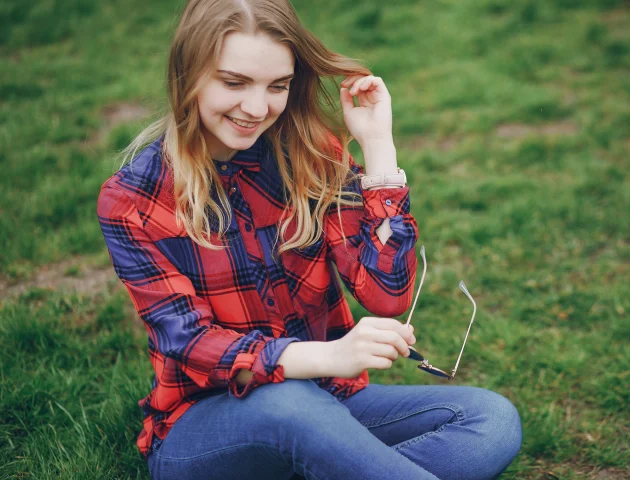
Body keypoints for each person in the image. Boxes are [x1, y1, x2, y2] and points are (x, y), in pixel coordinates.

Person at [96, 1, 522, 478]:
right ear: (187, 74)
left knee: (491, 421)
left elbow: (386, 294)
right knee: (289, 403)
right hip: (206, 427)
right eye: (234, 82)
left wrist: (378, 147)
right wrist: (333, 356)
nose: (257, 108)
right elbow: (190, 342)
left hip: (329, 401)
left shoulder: (311, 155)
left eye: (276, 86)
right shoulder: (133, 199)